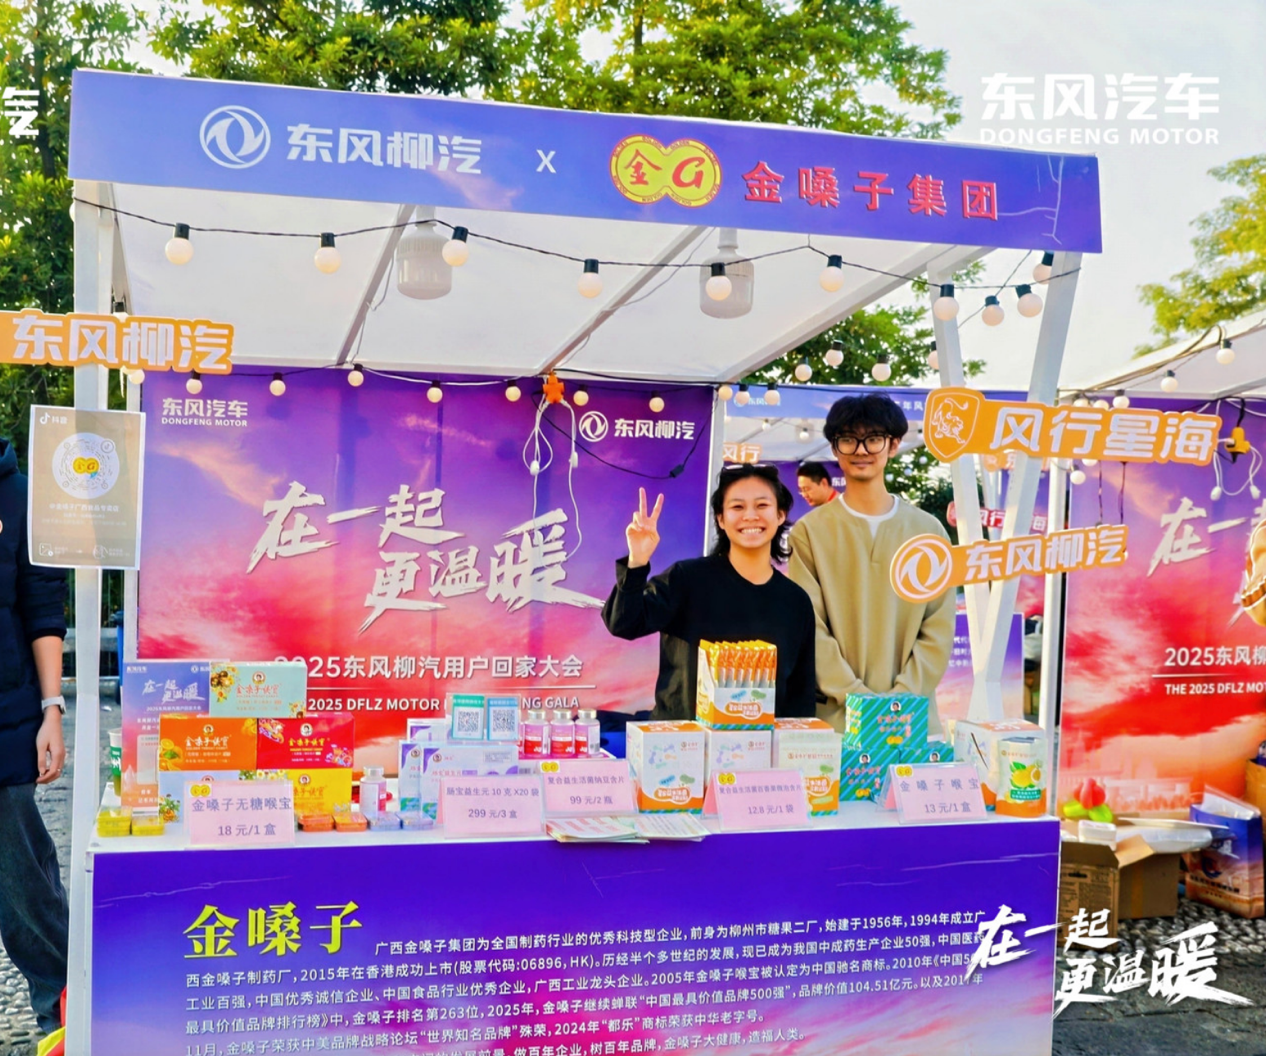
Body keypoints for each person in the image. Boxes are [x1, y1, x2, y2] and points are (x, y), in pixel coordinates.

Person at [788, 394, 955, 734]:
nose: (861, 450)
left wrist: (900, 700)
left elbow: (938, 628)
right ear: (835, 448)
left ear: (893, 445)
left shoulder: (928, 531)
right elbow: (808, 628)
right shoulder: (809, 532)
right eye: (848, 439)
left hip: (911, 722)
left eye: (874, 439)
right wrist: (858, 698)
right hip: (836, 724)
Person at [602, 464, 816, 720]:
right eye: (737, 507)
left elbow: (800, 696)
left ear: (780, 515)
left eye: (762, 505)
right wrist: (636, 562)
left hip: (759, 742)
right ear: (721, 519)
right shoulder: (686, 578)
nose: (750, 516)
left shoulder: (796, 601)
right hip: (683, 740)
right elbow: (623, 623)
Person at [0, 436, 70, 1036]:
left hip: (6, 719)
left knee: (25, 885)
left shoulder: (22, 497)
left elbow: (43, 608)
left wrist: (52, 709)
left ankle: (62, 1017)